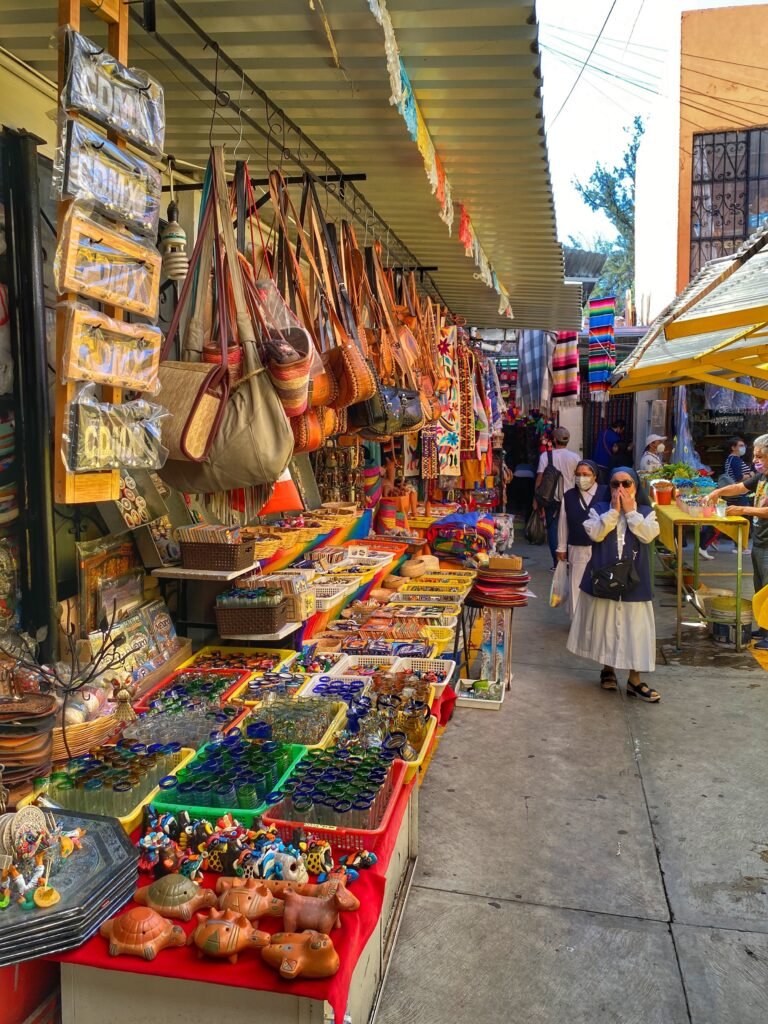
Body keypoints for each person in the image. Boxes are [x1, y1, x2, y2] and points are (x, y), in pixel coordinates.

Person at [566, 466, 661, 702]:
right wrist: (613, 512)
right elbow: (596, 534)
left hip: (635, 581)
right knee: (606, 626)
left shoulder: (647, 511)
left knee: (634, 629)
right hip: (604, 578)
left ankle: (634, 679)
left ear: (635, 487)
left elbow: (648, 535)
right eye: (615, 484)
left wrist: (630, 513)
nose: (621, 489)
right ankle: (607, 669)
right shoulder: (599, 509)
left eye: (626, 484)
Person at [706, 433, 768, 648]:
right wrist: (718, 491)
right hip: (760, 541)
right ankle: (764, 628)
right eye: (755, 456)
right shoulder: (762, 477)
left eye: (760, 456)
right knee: (761, 588)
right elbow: (740, 487)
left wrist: (742, 509)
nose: (755, 461)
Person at [555, 459, 609, 617]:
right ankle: (576, 620)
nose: (581, 478)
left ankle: (595, 619)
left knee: (598, 584)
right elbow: (563, 523)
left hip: (600, 547)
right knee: (576, 584)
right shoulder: (569, 496)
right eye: (578, 474)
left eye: (586, 474)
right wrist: (561, 547)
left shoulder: (605, 493)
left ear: (595, 476)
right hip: (576, 546)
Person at [534, 426, 581, 569]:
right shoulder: (575, 457)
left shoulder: (546, 456)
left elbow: (540, 478)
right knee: (570, 529)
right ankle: (568, 560)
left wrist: (536, 499)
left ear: (554, 440)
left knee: (554, 531)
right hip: (572, 498)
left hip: (552, 500)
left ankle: (557, 563)